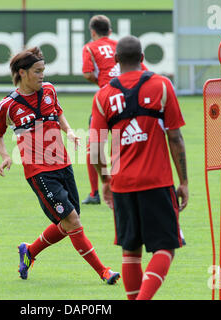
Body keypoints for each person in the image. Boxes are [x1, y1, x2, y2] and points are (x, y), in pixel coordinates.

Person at [0, 46, 120, 285]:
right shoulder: (8, 105)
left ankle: (29, 252)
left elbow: (58, 113)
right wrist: (5, 156)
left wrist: (69, 131)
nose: (42, 75)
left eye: (43, 70)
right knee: (73, 222)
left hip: (63, 164)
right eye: (37, 71)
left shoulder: (49, 90)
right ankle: (103, 271)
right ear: (23, 72)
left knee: (69, 221)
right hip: (39, 173)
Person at [89, 36, 188, 300]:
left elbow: (95, 147)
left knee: (130, 251)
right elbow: (175, 137)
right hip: (157, 182)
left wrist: (106, 181)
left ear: (116, 61)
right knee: (166, 248)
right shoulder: (162, 86)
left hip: (122, 184)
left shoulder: (103, 95)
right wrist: (185, 182)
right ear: (143, 58)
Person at [81, 15, 147, 204]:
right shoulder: (120, 45)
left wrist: (101, 82)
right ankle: (126, 183)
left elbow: (87, 73)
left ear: (93, 31)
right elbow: (144, 70)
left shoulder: (90, 47)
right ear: (109, 31)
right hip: (130, 99)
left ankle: (94, 193)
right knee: (124, 140)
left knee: (93, 146)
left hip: (107, 99)